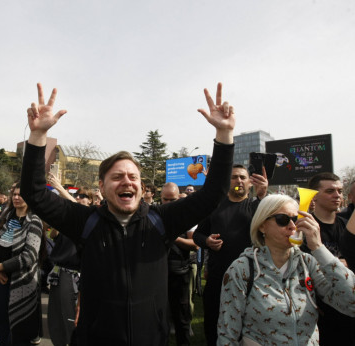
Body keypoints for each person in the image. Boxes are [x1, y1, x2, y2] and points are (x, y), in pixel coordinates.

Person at [20, 82, 235, 345]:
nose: (127, 181)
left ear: (141, 186)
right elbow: (35, 193)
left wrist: (224, 135)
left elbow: (214, 192)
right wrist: (38, 136)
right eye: (117, 176)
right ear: (102, 186)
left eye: (133, 176)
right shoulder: (86, 222)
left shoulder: (162, 220)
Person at [217, 194, 355, 345]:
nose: (292, 226)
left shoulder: (308, 263)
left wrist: (319, 249)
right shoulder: (241, 269)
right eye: (282, 220)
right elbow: (227, 334)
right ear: (262, 225)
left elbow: (351, 303)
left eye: (296, 219)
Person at [192, 164, 268, 346]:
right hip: (219, 277)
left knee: (248, 326)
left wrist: (264, 195)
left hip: (252, 279)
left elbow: (275, 223)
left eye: (243, 177)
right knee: (213, 322)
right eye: (234, 177)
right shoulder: (214, 207)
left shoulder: (258, 206)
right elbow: (197, 235)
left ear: (250, 182)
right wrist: (207, 241)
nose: (239, 181)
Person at [0, 183, 43, 346]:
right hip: (0, 281)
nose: (16, 197)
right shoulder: (6, 217)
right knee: (1, 321)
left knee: (19, 327)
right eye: (14, 194)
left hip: (22, 282)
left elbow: (29, 256)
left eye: (20, 195)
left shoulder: (34, 221)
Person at [305, 172, 355, 345]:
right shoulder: (304, 229)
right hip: (320, 318)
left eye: (340, 191)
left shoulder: (348, 228)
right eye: (330, 191)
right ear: (314, 196)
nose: (337, 195)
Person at [46, 173, 87, 345]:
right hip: (57, 272)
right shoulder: (69, 220)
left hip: (72, 275)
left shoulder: (89, 220)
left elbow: (79, 211)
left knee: (69, 318)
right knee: (55, 318)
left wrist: (59, 187)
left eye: (85, 197)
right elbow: (52, 233)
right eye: (79, 196)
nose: (81, 199)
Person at [161, 182, 198, 346]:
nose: (169, 203)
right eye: (165, 200)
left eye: (173, 200)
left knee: (181, 318)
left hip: (180, 274)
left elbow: (195, 244)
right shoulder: (154, 216)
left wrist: (173, 237)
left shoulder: (186, 216)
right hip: (157, 275)